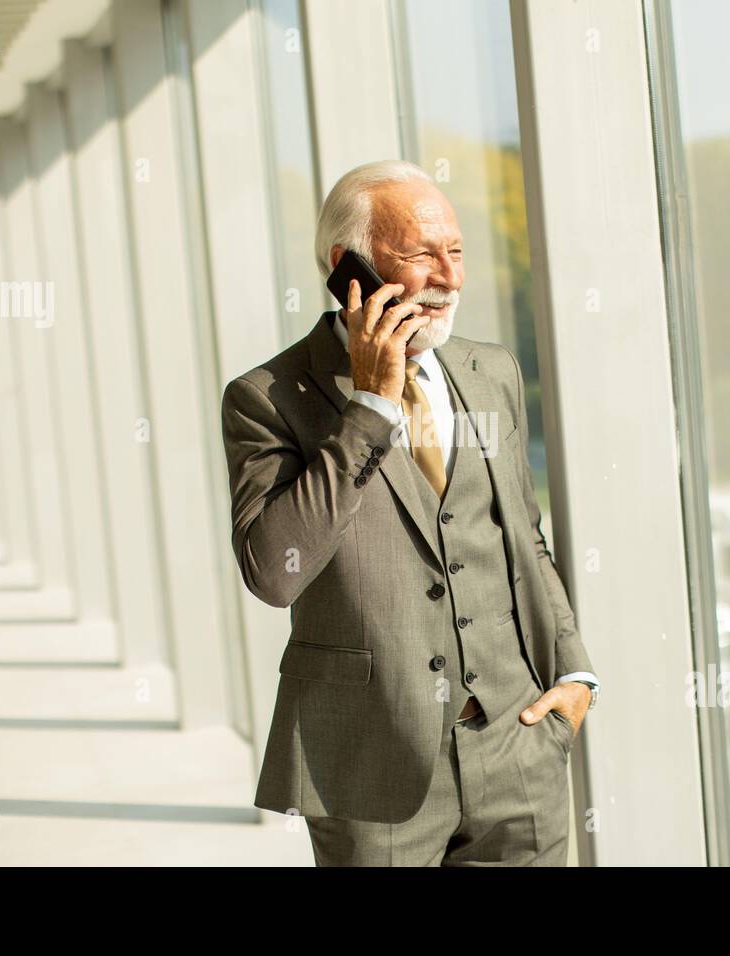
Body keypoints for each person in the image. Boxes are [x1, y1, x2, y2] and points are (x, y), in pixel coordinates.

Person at [220, 159, 599, 866]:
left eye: (455, 252)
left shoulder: (493, 373)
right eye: (422, 254)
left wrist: (573, 674)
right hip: (373, 769)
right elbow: (275, 572)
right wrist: (369, 409)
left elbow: (524, 538)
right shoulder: (266, 397)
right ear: (348, 265)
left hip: (520, 750)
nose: (450, 277)